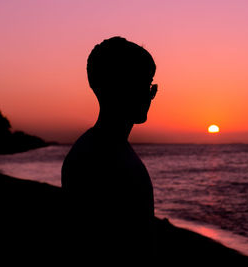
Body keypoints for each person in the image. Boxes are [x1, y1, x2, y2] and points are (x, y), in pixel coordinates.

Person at [61, 36, 158, 263]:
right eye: (144, 85)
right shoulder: (104, 158)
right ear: (118, 87)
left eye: (151, 87)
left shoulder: (92, 149)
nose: (149, 96)